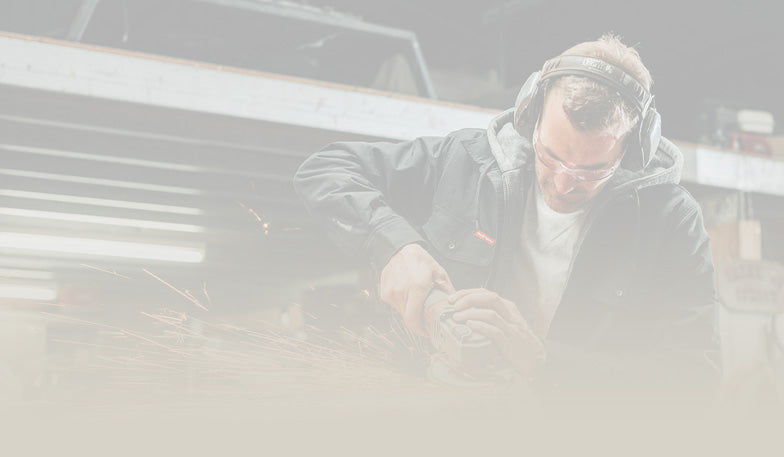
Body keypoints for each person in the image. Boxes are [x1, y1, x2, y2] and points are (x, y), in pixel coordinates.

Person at [294, 34, 719, 397]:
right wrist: (394, 246)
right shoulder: (464, 163)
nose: (563, 183)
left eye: (592, 171)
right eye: (550, 156)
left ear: (634, 150)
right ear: (530, 116)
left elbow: (692, 384)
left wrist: (542, 360)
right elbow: (327, 169)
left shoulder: (671, 225)